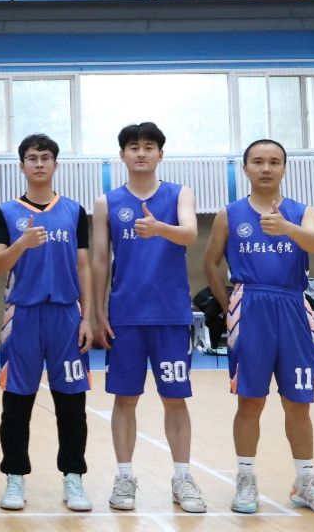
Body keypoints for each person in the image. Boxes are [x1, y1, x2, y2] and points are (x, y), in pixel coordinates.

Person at [201, 139, 314, 516]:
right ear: (246, 168)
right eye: (258, 161)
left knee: (299, 401)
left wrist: (286, 227)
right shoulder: (229, 214)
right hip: (251, 307)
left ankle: (305, 482)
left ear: (284, 168)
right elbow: (210, 264)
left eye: (274, 162)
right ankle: (246, 479)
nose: (266, 168)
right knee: (250, 400)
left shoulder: (302, 212)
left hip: (293, 305)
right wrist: (228, 304)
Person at [91, 122, 205, 513]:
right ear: (122, 155)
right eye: (134, 147)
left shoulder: (179, 193)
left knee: (175, 399)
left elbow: (190, 234)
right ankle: (124, 477)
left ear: (160, 154)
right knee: (125, 399)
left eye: (149, 146)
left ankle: (182, 478)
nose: (141, 153)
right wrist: (96, 311)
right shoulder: (107, 202)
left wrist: (159, 228)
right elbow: (99, 259)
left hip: (171, 315)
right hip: (125, 317)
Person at [0, 133, 94, 512]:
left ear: (55, 164)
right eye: (32, 158)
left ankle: (74, 478)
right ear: (22, 165)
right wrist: (22, 243)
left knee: (72, 404)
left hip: (66, 315)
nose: (39, 163)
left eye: (45, 157)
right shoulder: (6, 212)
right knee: (17, 403)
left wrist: (88, 317)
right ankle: (15, 477)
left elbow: (83, 266)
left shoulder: (74, 211)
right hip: (23, 316)